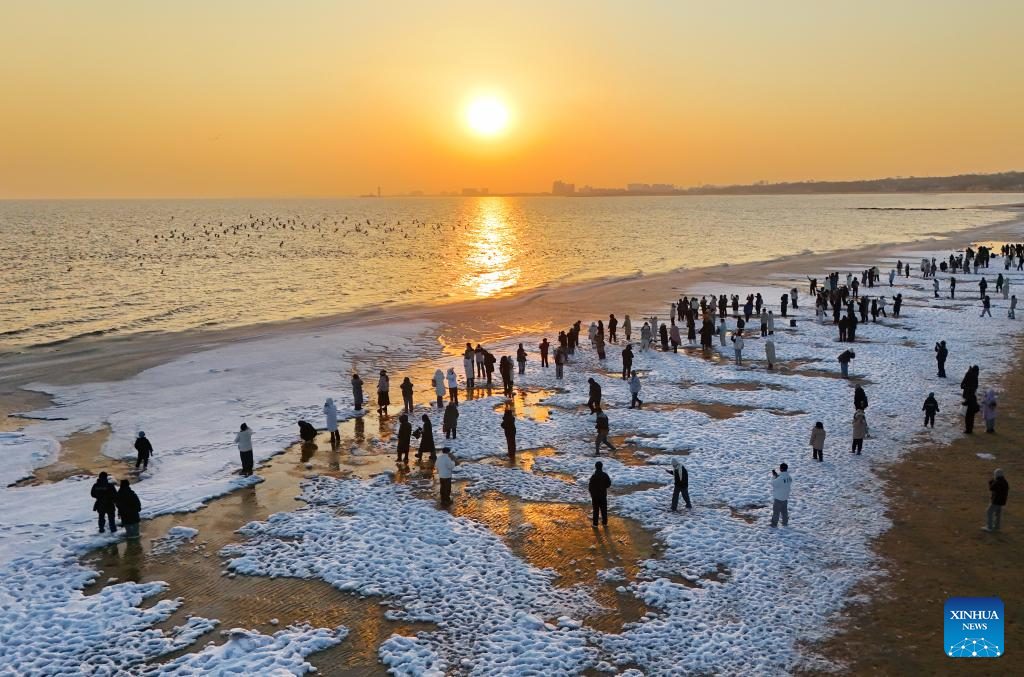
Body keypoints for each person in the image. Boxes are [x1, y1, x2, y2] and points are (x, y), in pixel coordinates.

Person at [588, 461, 611, 527]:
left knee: (596, 510)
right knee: (604, 509)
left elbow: (590, 486)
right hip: (603, 495)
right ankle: (604, 523)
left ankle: (595, 524)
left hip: (595, 496)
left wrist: (592, 494)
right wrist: (604, 487)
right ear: (602, 467)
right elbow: (609, 484)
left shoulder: (593, 476)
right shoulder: (605, 475)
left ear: (595, 467)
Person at [770, 463, 792, 527]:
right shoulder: (789, 477)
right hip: (785, 497)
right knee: (784, 511)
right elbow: (785, 482)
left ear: (781, 469)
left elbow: (773, 484)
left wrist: (774, 476)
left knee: (776, 512)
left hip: (778, 498)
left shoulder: (780, 478)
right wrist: (778, 477)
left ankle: (774, 524)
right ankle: (785, 522)